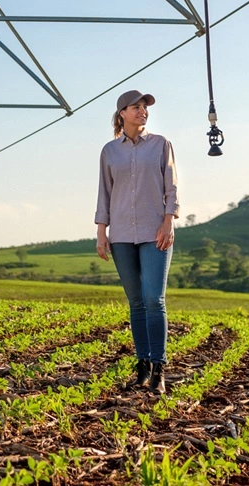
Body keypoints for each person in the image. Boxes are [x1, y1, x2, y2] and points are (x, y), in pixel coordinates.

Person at [94, 89, 178, 394]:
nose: (143, 111)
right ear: (122, 114)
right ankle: (142, 366)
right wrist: (101, 230)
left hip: (155, 231)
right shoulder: (109, 151)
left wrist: (169, 220)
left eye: (145, 107)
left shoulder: (160, 145)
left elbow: (172, 186)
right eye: (136, 107)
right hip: (121, 237)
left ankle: (159, 369)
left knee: (154, 300)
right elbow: (104, 192)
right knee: (137, 303)